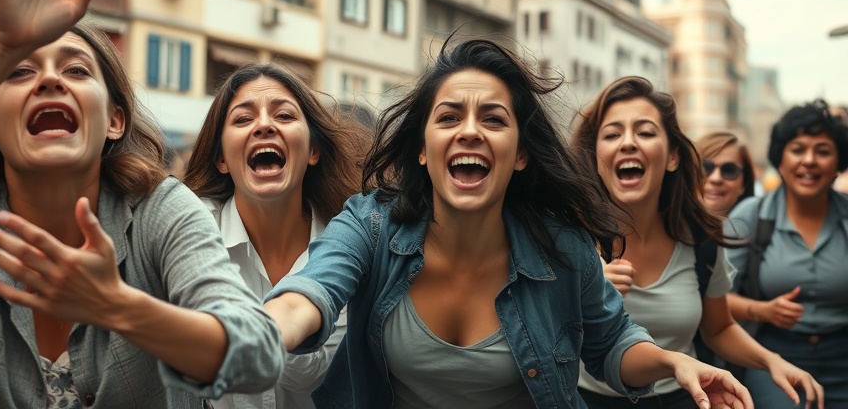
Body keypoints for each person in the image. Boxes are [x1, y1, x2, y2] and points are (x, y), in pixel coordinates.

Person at [262, 39, 754, 409]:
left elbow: (613, 343)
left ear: (520, 153)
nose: (471, 130)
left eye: (494, 119)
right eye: (449, 117)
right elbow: (310, 292)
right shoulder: (370, 224)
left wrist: (675, 361)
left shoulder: (564, 247)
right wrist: (263, 328)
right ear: (421, 147)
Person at [0, 0, 283, 406]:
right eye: (19, 71)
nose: (49, 81)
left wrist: (118, 307)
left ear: (113, 120)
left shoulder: (159, 211)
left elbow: (259, 353)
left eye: (77, 70)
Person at [570, 76, 822, 408]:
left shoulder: (701, 239)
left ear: (673, 157)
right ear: (595, 156)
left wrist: (771, 361)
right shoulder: (570, 237)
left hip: (685, 399)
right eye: (612, 134)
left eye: (645, 132)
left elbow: (718, 329)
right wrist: (585, 293)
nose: (628, 143)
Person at [184, 64, 369, 408]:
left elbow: (315, 373)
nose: (265, 125)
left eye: (284, 115)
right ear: (221, 159)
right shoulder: (187, 230)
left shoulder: (353, 239)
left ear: (313, 151)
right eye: (242, 120)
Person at [726, 99, 848, 408]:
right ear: (780, 161)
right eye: (797, 149)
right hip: (773, 360)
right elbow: (715, 299)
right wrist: (761, 310)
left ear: (838, 163)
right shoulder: (752, 215)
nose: (809, 161)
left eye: (822, 151)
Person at [695, 131, 756, 217]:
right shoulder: (670, 228)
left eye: (729, 170)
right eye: (705, 167)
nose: (716, 178)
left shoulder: (762, 228)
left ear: (744, 183)